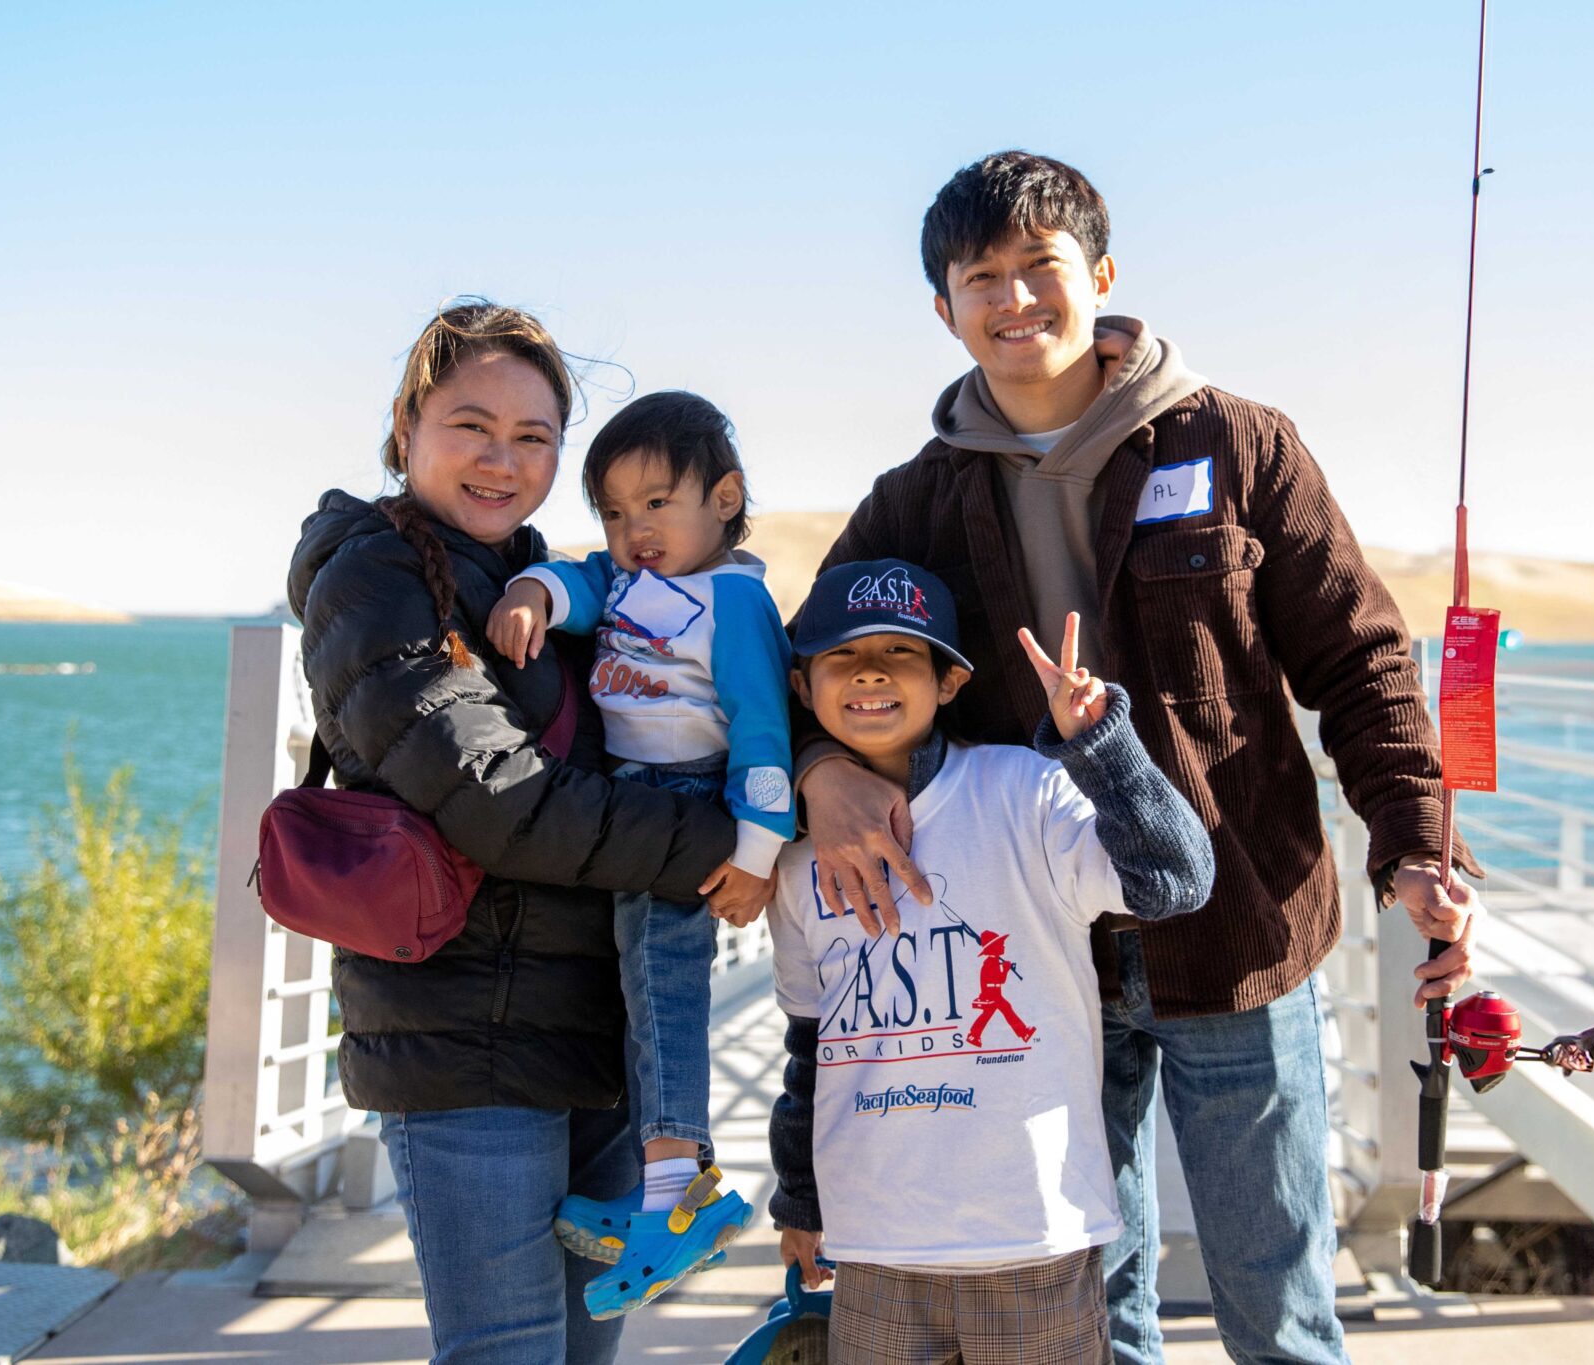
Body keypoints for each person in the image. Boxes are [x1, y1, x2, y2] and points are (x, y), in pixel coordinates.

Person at [793, 152, 1485, 1364]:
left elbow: (1361, 661)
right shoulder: (912, 501)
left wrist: (1413, 846)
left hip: (1242, 937)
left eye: (1039, 268)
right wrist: (817, 768)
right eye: (981, 278)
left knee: (1277, 1300)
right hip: (1037, 953)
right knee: (1090, 1305)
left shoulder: (1236, 443)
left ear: (1100, 275)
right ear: (941, 307)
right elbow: (811, 661)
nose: (1014, 301)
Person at [288, 299, 737, 1365]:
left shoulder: (552, 581)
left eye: (533, 437)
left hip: (596, 1037)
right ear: (406, 427)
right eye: (470, 426)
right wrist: (732, 850)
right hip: (467, 1048)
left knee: (586, 1354)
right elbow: (499, 799)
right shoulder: (374, 579)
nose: (502, 459)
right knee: (506, 1351)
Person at [765, 560, 1214, 1364]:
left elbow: (1178, 880)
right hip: (872, 1248)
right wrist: (799, 1198)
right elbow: (810, 1049)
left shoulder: (1027, 795)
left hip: (1030, 1235)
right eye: (842, 655)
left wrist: (1098, 743)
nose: (869, 670)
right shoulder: (798, 862)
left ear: (950, 680)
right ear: (802, 686)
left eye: (901, 652)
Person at [485, 391, 788, 1318]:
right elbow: (580, 583)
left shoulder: (732, 598)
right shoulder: (627, 582)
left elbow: (764, 730)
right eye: (614, 511)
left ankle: (674, 1202)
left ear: (725, 497)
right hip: (632, 805)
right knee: (638, 995)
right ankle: (668, 1184)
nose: (633, 529)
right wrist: (531, 589)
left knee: (664, 992)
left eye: (656, 503)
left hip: (688, 805)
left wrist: (757, 854)